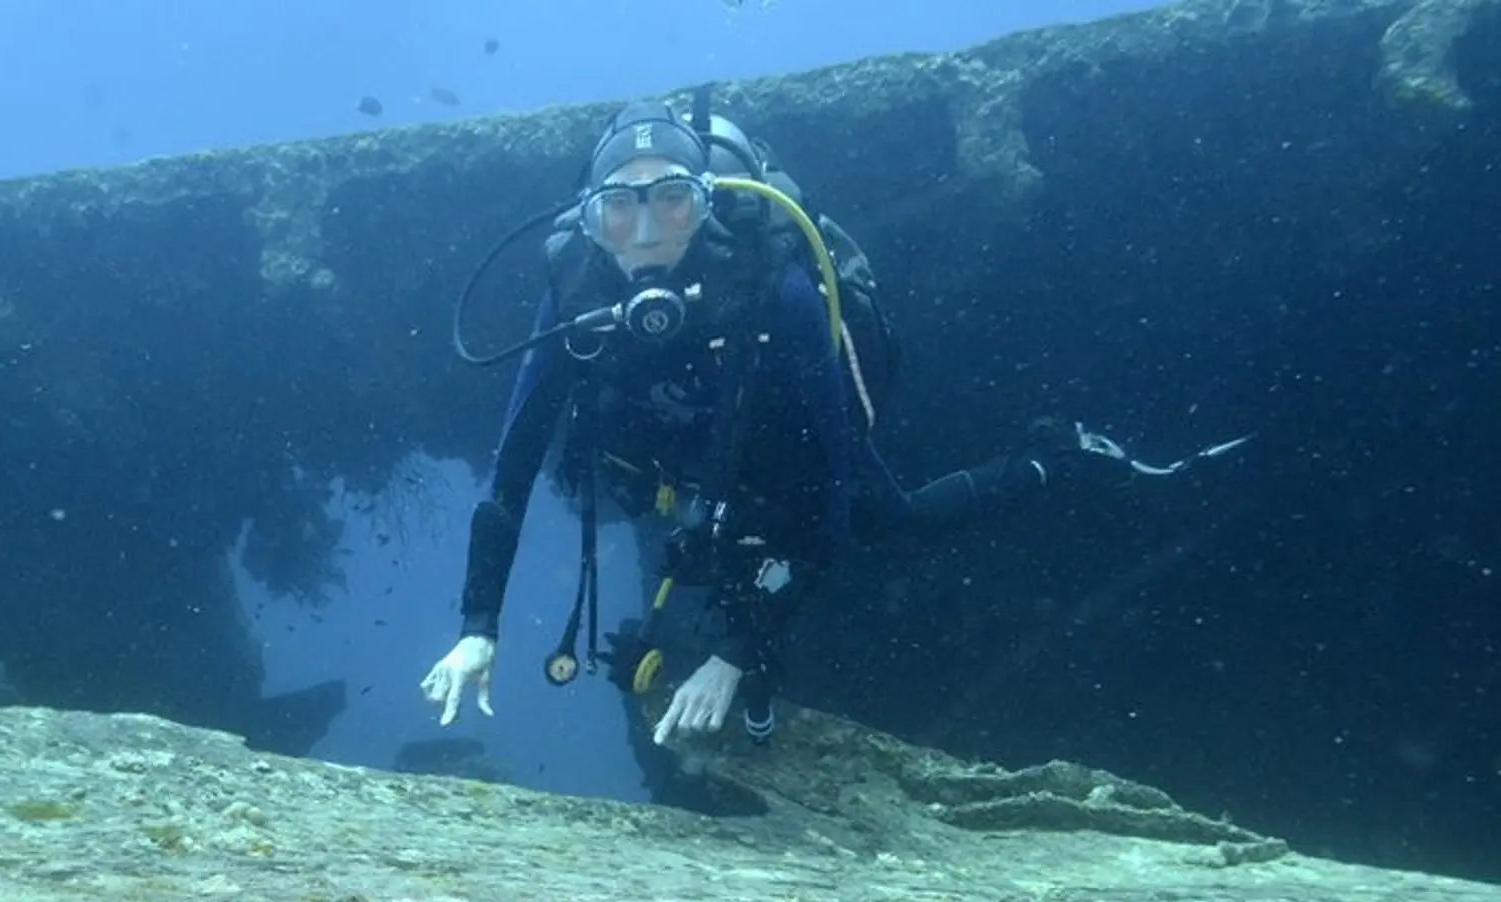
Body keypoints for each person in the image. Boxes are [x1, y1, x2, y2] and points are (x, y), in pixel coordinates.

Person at [421, 94, 1241, 751]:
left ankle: (1055, 457)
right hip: (686, 437)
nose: (645, 235)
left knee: (891, 520)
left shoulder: (770, 289)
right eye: (620, 209)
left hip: (784, 433)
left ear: (707, 205)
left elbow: (835, 493)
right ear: (590, 219)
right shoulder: (572, 290)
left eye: (672, 203)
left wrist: (736, 651)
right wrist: (476, 628)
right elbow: (513, 467)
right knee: (679, 516)